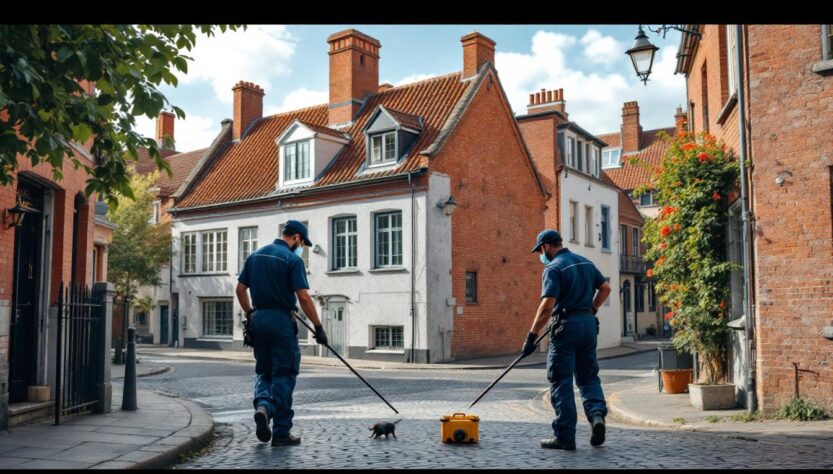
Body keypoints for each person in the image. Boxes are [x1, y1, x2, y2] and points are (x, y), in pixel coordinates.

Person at [235, 220, 328, 446]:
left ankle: (263, 407)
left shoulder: (255, 256)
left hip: (258, 320)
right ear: (296, 237)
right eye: (302, 243)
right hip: (281, 322)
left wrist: (250, 314)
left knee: (264, 373)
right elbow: (304, 297)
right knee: (284, 375)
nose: (301, 247)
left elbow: (240, 289)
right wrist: (318, 327)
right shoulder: (292, 260)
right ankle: (281, 433)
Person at [523, 229, 612, 450]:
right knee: (589, 376)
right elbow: (606, 288)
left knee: (561, 380)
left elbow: (547, 306)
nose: (541, 256)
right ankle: (597, 415)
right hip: (588, 325)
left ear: (545, 246)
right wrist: (592, 308)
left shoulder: (553, 268)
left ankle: (565, 436)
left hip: (566, 328)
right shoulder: (585, 262)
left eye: (540, 251)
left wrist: (531, 336)